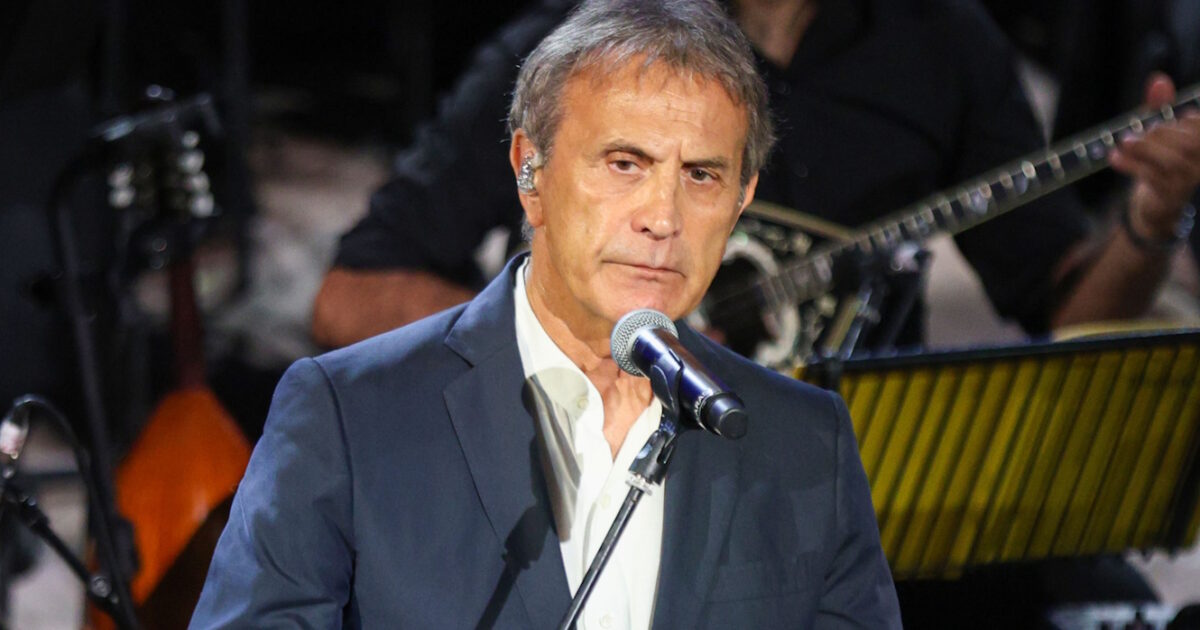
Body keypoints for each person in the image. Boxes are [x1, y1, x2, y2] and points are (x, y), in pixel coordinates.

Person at [190, 1, 902, 627]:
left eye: (701, 175)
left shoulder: (806, 443)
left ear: (741, 200)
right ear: (530, 174)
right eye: (624, 164)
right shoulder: (348, 416)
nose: (663, 217)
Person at [312, 0, 1200, 357]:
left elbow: (1071, 317)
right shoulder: (578, 44)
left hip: (852, 498)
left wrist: (1151, 219)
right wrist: (587, 346)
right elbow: (351, 299)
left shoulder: (947, 45)